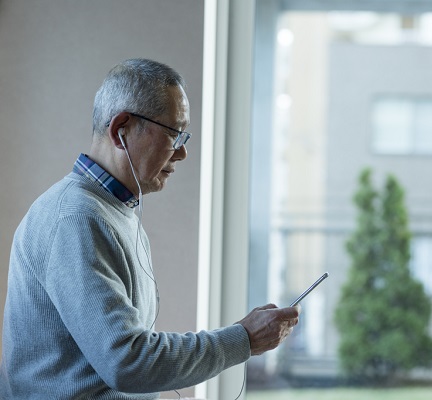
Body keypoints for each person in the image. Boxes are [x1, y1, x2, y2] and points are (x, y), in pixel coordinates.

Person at [0, 59, 300, 399]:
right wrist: (242, 339)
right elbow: (128, 363)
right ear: (121, 129)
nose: (183, 152)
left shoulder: (114, 212)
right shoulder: (76, 219)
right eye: (174, 133)